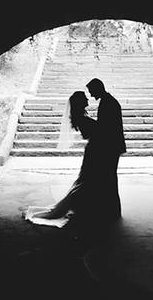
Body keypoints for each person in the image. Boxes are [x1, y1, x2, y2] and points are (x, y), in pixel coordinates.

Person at [25, 91, 100, 226]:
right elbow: (89, 133)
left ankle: (83, 205)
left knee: (87, 180)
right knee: (87, 180)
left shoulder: (80, 117)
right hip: (93, 149)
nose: (88, 99)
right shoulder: (81, 118)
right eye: (85, 98)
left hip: (93, 148)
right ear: (80, 102)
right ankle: (77, 205)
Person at [86, 77, 125, 222]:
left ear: (98, 89)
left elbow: (105, 128)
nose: (90, 95)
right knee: (109, 177)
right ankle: (111, 210)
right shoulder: (108, 101)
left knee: (109, 177)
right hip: (112, 145)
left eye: (91, 91)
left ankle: (112, 211)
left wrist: (88, 122)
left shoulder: (108, 103)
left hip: (110, 146)